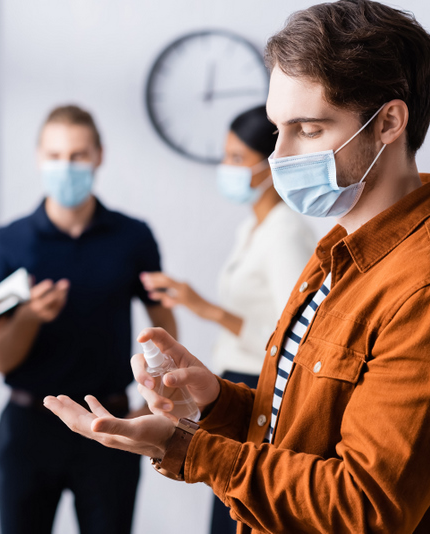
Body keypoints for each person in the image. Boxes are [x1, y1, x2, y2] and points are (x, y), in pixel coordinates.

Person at [42, 2, 430, 533]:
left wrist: (187, 449)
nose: (280, 157)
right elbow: (308, 426)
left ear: (389, 121)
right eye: (278, 129)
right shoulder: (338, 255)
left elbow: (365, 507)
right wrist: (215, 402)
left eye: (309, 129)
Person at [0, 104, 177, 534]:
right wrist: (30, 316)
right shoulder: (8, 242)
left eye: (77, 155)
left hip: (108, 423)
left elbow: (164, 329)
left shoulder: (132, 237)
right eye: (54, 156)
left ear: (99, 156)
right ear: (38, 158)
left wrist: (159, 401)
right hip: (29, 428)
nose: (65, 166)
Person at [140, 105, 316, 534]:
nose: (226, 168)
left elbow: (297, 337)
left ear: (270, 161)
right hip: (236, 382)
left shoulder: (286, 232)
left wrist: (206, 309)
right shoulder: (252, 228)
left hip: (261, 384)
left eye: (237, 159)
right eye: (226, 157)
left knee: (241, 508)